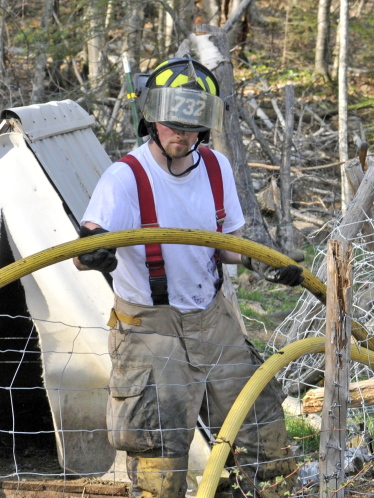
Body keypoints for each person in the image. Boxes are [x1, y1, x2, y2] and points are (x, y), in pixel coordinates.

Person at [73, 57, 303, 498]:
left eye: (194, 126)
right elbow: (82, 254)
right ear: (152, 119)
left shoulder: (215, 167)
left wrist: (259, 260)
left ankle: (266, 491)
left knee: (259, 420)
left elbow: (227, 242)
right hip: (149, 323)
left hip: (211, 315)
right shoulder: (125, 178)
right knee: (159, 441)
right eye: (175, 125)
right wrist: (96, 253)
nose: (184, 135)